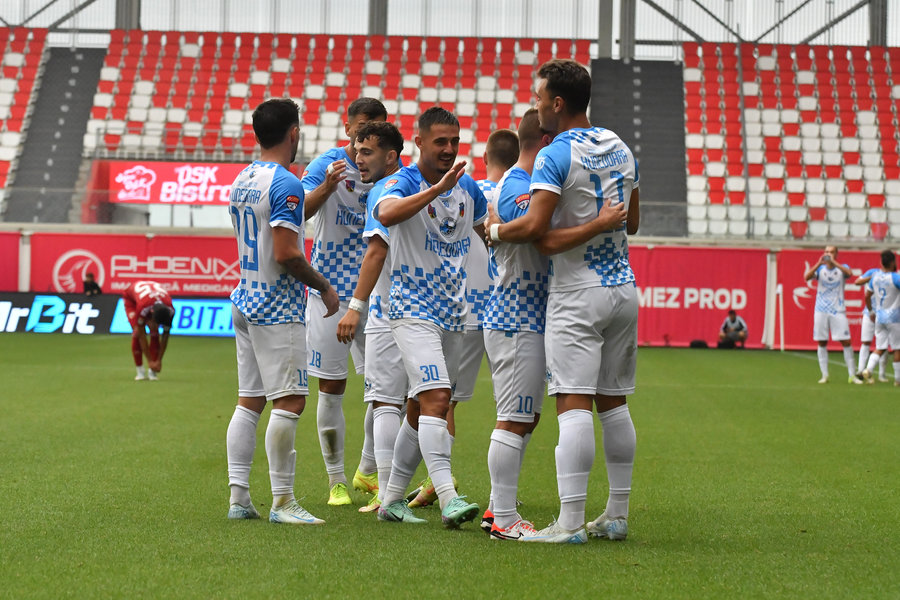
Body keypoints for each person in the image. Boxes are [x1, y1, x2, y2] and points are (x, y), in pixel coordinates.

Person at [484, 59, 640, 543]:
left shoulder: (555, 155)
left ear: (556, 103)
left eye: (537, 97)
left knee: (573, 405)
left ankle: (570, 522)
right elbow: (631, 222)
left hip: (577, 293)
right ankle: (615, 515)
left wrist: (493, 230)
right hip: (623, 288)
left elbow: (540, 237)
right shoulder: (620, 145)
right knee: (613, 405)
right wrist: (602, 222)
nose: (534, 105)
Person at [225, 98, 340, 525]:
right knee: (289, 401)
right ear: (294, 133)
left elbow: (281, 220)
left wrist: (323, 190)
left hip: (246, 298)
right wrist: (325, 287)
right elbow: (288, 252)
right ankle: (283, 501)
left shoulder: (244, 177)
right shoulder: (286, 182)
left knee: (248, 402)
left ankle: (239, 497)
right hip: (278, 306)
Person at [372, 106, 485, 528]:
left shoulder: (467, 186)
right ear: (418, 142)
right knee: (437, 399)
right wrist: (435, 190)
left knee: (423, 408)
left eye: (454, 142)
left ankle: (391, 501)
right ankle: (449, 498)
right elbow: (386, 214)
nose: (449, 149)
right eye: (440, 141)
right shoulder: (401, 181)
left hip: (453, 311)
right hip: (411, 307)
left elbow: (484, 231)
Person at [406, 128, 517, 508]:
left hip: (461, 309)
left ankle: (442, 476)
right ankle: (503, 491)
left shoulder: (468, 189)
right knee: (513, 404)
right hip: (506, 308)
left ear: (486, 157)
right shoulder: (514, 195)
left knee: (443, 401)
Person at [300, 98, 388, 506]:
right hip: (329, 291)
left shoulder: (393, 172)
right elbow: (297, 211)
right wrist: (327, 187)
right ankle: (336, 480)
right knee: (332, 387)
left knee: (385, 388)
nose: (365, 132)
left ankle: (366, 471)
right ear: (348, 125)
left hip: (375, 292)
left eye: (376, 125)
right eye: (361, 125)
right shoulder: (327, 165)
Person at [481, 109, 550, 540]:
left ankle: (496, 507)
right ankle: (503, 517)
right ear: (544, 142)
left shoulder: (526, 184)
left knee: (526, 417)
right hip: (515, 313)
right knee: (512, 418)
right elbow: (535, 230)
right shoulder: (519, 185)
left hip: (527, 314)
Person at [335, 120, 406, 513]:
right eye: (356, 151)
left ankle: (387, 493)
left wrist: (355, 306)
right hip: (429, 306)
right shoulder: (418, 183)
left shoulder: (384, 189)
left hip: (388, 309)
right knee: (419, 403)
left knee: (384, 400)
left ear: (390, 156)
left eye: (366, 153)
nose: (357, 159)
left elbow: (376, 252)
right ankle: (383, 478)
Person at [803, 246, 862, 384]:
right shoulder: (820, 269)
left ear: (836, 254)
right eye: (826, 252)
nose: (828, 254)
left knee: (846, 341)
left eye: (831, 252)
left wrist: (834, 263)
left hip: (838, 310)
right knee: (822, 341)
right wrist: (818, 263)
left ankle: (852, 375)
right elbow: (806, 277)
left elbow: (849, 273)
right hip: (821, 310)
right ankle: (824, 375)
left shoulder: (842, 268)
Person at [861, 250, 900, 385]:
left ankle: (868, 369)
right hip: (894, 318)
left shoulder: (875, 277)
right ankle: (898, 380)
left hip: (879, 317)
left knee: (880, 347)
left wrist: (871, 311)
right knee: (897, 348)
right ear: (892, 262)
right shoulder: (895, 278)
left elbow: (867, 296)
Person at [122, 280, 174, 381]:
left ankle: (152, 372)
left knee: (155, 331)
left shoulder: (171, 310)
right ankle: (140, 371)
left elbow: (165, 336)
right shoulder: (143, 307)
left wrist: (159, 360)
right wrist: (150, 361)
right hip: (131, 300)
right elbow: (142, 335)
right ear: (151, 313)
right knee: (137, 332)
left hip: (152, 300)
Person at [854, 268, 889, 381]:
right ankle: (860, 371)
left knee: (883, 345)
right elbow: (857, 282)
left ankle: (882, 374)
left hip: (884, 314)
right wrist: (871, 278)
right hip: (869, 313)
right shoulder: (872, 272)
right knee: (865, 342)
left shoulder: (893, 276)